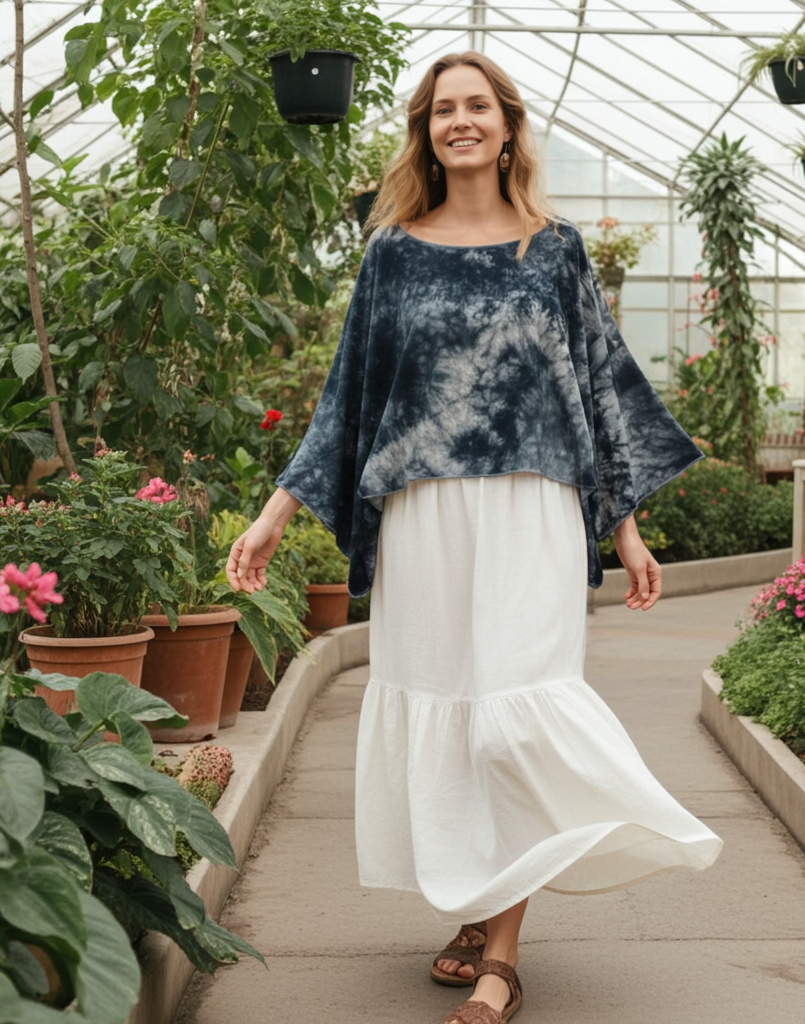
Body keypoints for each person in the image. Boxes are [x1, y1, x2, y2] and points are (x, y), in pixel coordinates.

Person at [226, 51, 722, 1024]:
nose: (460, 121)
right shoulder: (393, 253)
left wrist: (625, 531)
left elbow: (597, 397)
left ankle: (503, 956)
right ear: (427, 129)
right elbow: (346, 401)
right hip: (423, 516)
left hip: (533, 510)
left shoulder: (557, 250)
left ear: (506, 125)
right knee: (445, 709)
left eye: (476, 106)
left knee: (511, 710)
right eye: (443, 108)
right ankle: (473, 906)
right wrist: (274, 513)